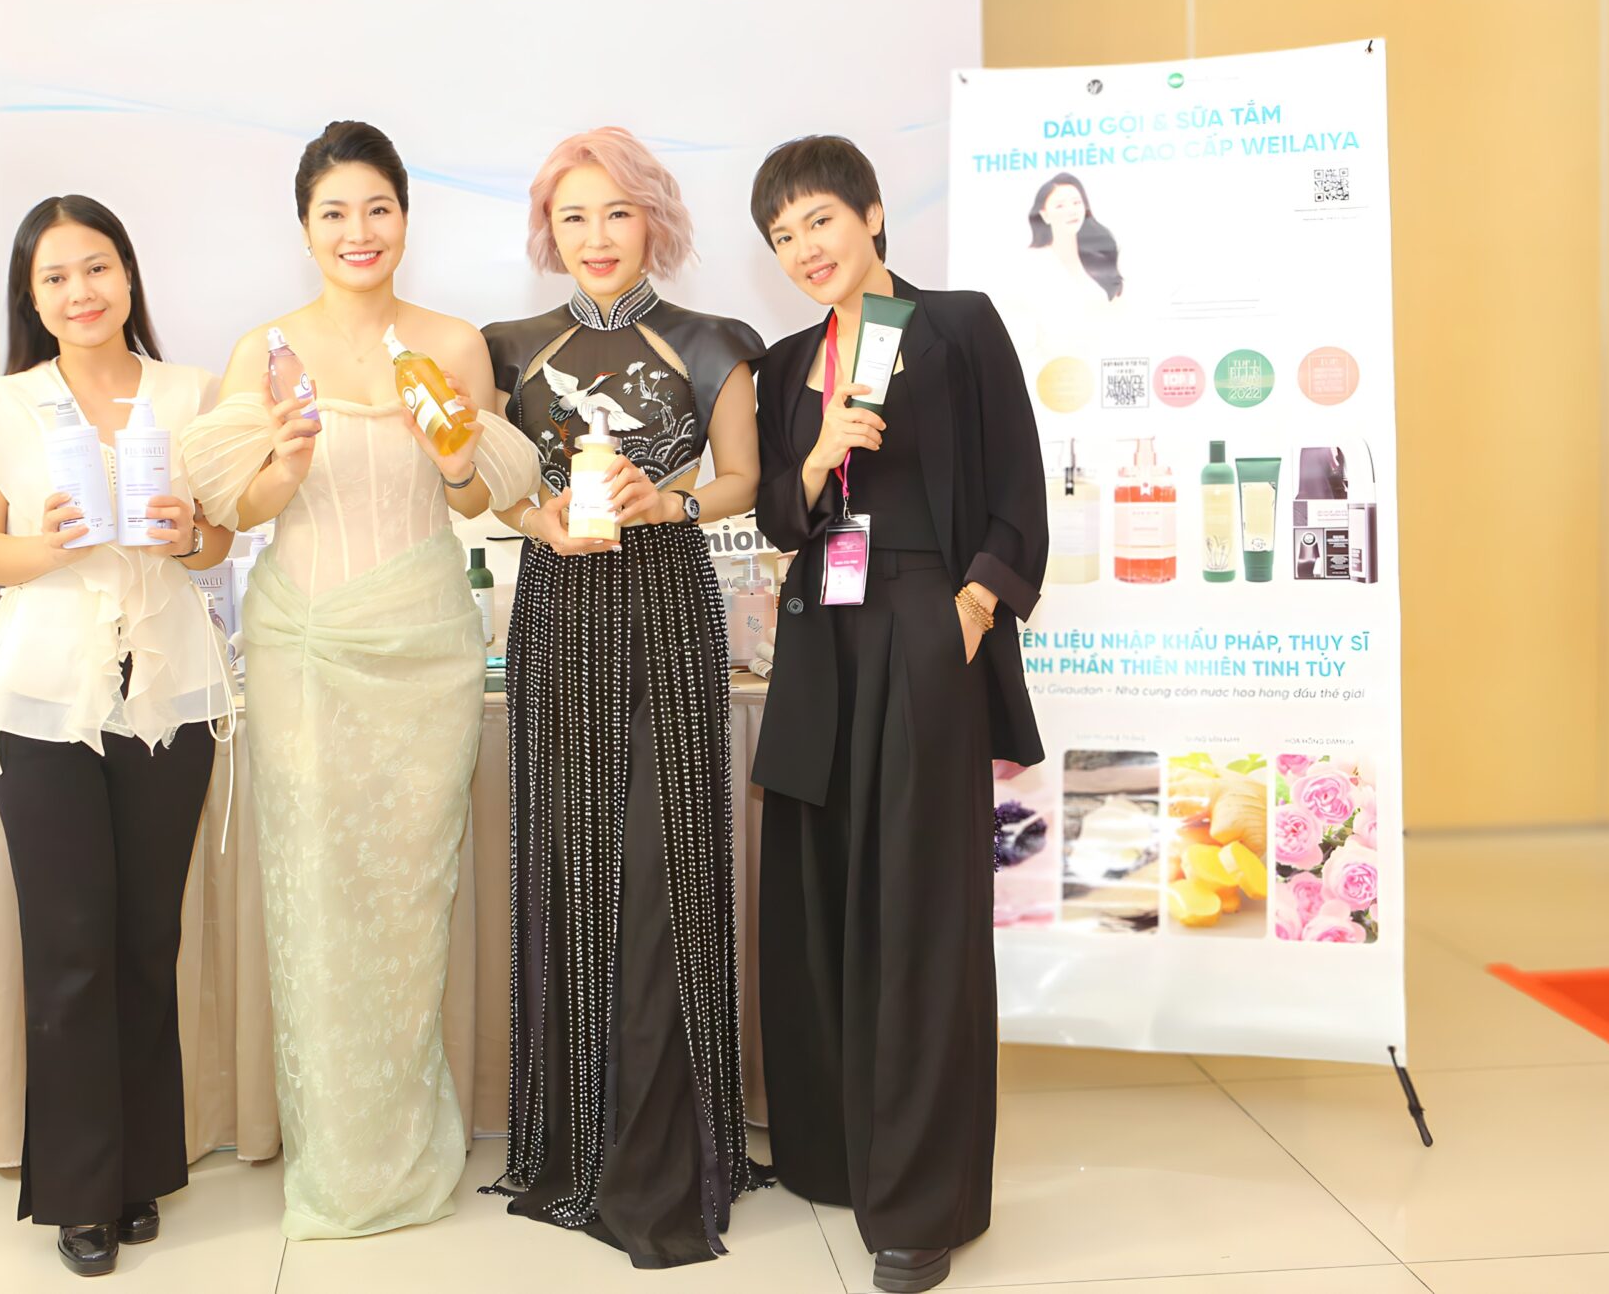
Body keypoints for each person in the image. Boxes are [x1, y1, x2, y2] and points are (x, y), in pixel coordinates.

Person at [179, 121, 540, 1240]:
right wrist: (282, 462)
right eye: (334, 212)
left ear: (405, 219)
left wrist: (456, 459)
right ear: (305, 228)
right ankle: (338, 1164)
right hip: (306, 647)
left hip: (425, 646)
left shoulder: (454, 344)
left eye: (377, 207)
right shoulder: (264, 351)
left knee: (409, 900)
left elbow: (477, 498)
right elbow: (231, 509)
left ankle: (407, 1147)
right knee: (320, 903)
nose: (357, 230)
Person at [747, 135, 1048, 1294]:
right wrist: (815, 456)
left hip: (925, 625)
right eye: (781, 236)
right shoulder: (787, 363)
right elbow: (780, 515)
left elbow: (1016, 487)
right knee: (820, 894)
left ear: (871, 214)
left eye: (818, 220)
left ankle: (923, 1200)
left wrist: (970, 605)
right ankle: (834, 1152)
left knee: (920, 907)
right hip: (821, 634)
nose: (803, 248)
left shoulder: (956, 325)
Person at [479, 129, 766, 1266]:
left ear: (656, 220)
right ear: (547, 231)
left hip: (668, 607)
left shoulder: (711, 341)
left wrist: (670, 503)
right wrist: (534, 516)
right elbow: (484, 483)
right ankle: (579, 1141)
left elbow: (740, 476)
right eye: (573, 216)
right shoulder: (507, 349)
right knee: (573, 861)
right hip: (558, 608)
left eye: (617, 212)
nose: (595, 237)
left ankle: (669, 1154)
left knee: (665, 865)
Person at [0, 195, 237, 1278]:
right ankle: (79, 1190)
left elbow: (218, 538)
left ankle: (140, 1169)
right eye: (56, 277)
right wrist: (44, 547)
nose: (81, 292)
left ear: (128, 277)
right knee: (70, 946)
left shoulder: (189, 394)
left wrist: (193, 533)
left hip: (167, 691)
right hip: (42, 700)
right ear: (31, 298)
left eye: (98, 268)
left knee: (145, 940)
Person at [1021, 172, 1126, 362]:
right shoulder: (1033, 263)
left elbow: (1120, 318)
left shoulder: (1104, 255)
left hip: (1104, 360)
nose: (1071, 210)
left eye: (1076, 203)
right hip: (1052, 368)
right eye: (1060, 205)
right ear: (1044, 214)